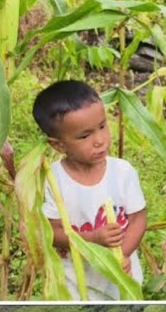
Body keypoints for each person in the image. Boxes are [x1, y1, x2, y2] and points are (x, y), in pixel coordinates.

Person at [34, 79, 147, 299]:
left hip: (121, 280)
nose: (100, 140)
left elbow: (138, 220)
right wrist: (92, 238)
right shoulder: (53, 181)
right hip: (77, 284)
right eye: (85, 136)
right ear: (58, 144)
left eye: (103, 126)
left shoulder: (123, 173)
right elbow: (51, 233)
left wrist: (121, 256)